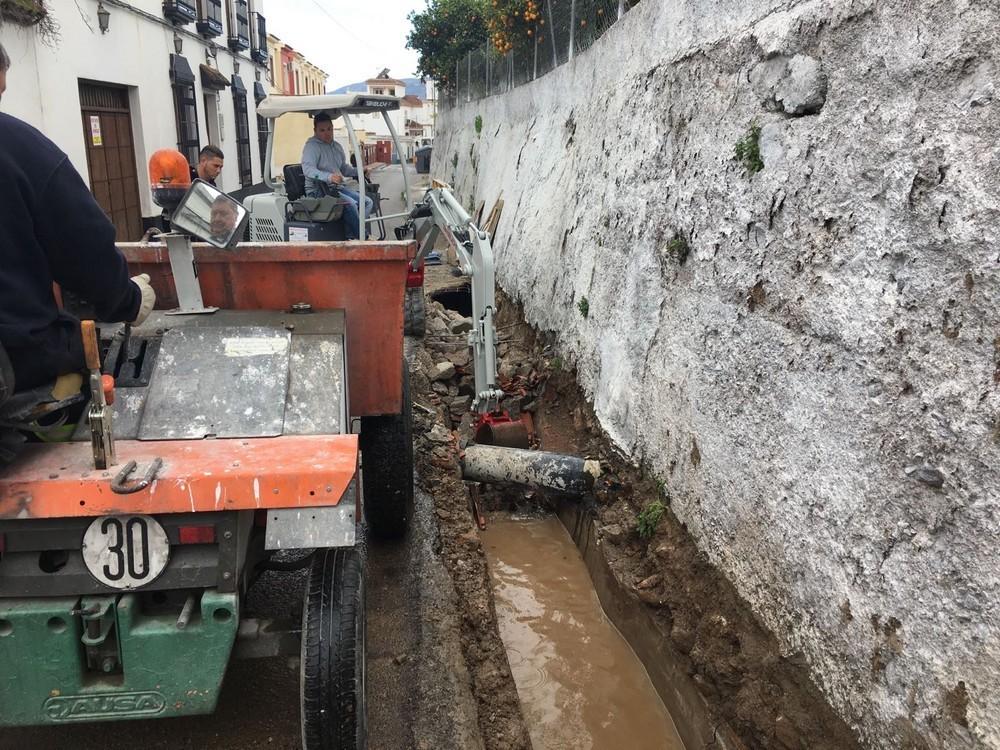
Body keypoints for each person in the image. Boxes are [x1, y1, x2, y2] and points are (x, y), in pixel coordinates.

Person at [0, 42, 155, 393]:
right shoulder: (19, 147)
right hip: (16, 362)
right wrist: (128, 299)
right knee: (84, 373)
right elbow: (83, 244)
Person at [301, 112, 374, 240]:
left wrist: (360, 171)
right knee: (350, 204)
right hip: (318, 190)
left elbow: (344, 169)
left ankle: (349, 234)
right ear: (315, 131)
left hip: (335, 188)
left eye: (329, 129)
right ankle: (363, 238)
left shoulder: (336, 146)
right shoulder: (312, 147)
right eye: (322, 130)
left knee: (367, 202)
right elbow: (308, 169)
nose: (327, 133)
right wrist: (329, 177)